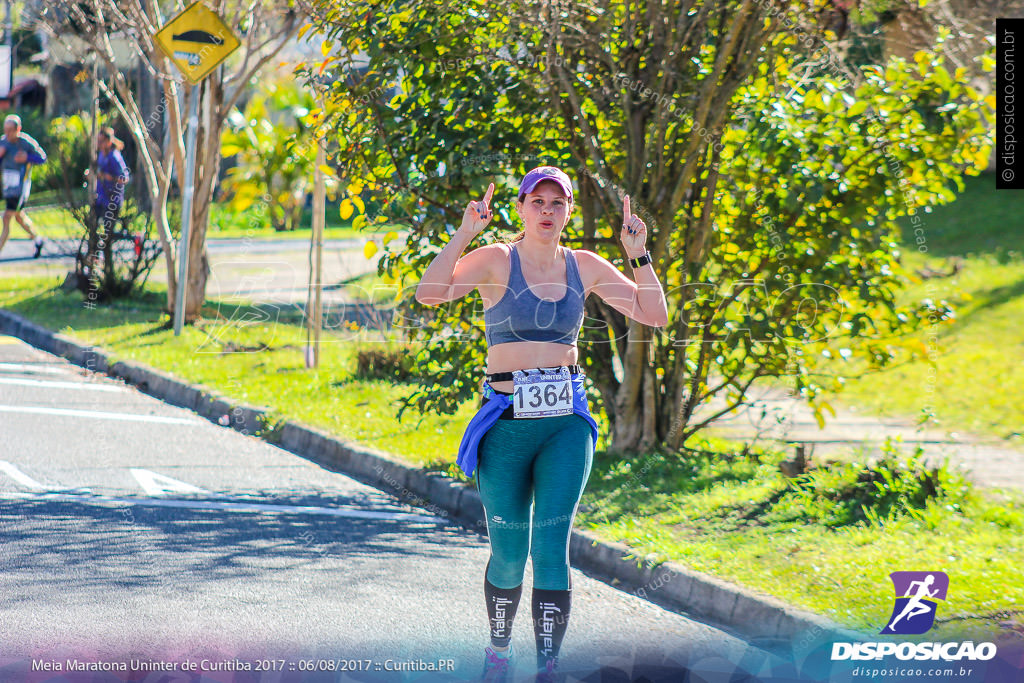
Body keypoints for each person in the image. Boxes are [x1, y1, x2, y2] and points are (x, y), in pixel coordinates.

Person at [415, 166, 669, 682]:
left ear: (569, 210)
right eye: (538, 202)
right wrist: (465, 233)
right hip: (505, 421)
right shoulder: (494, 260)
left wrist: (637, 252)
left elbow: (654, 314)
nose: (547, 211)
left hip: (564, 424)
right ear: (522, 208)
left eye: (558, 203)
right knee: (509, 554)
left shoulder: (585, 266)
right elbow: (430, 293)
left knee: (551, 547)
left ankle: (548, 666)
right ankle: (499, 650)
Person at [0, 114, 48, 258]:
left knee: (7, 217)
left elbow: (43, 158)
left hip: (21, 188)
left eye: (10, 130)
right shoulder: (3, 143)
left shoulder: (26, 143)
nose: (7, 134)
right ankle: (38, 240)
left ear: (18, 129)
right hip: (8, 187)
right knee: (19, 218)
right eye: (5, 130)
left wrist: (27, 158)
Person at [91, 126, 131, 236]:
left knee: (107, 236)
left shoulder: (114, 157)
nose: (99, 144)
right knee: (94, 230)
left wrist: (110, 177)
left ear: (108, 142)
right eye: (98, 141)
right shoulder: (100, 155)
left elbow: (125, 178)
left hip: (112, 201)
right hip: (100, 199)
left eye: (101, 141)